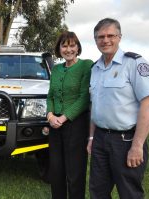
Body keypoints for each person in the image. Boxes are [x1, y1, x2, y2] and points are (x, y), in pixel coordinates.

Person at [87, 18, 149, 199]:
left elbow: (148, 103)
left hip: (126, 141)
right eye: (100, 37)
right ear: (95, 40)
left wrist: (137, 145)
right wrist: (91, 137)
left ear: (119, 37)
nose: (105, 40)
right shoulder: (95, 68)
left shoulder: (134, 63)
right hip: (100, 140)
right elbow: (94, 106)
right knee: (97, 192)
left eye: (110, 35)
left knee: (129, 193)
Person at [46, 31, 93, 199]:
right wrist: (50, 116)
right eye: (64, 45)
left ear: (78, 47)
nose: (68, 49)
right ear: (59, 49)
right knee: (56, 171)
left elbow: (84, 97)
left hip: (76, 125)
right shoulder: (56, 69)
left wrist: (63, 117)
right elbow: (50, 95)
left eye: (72, 45)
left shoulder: (86, 65)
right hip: (54, 125)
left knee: (75, 173)